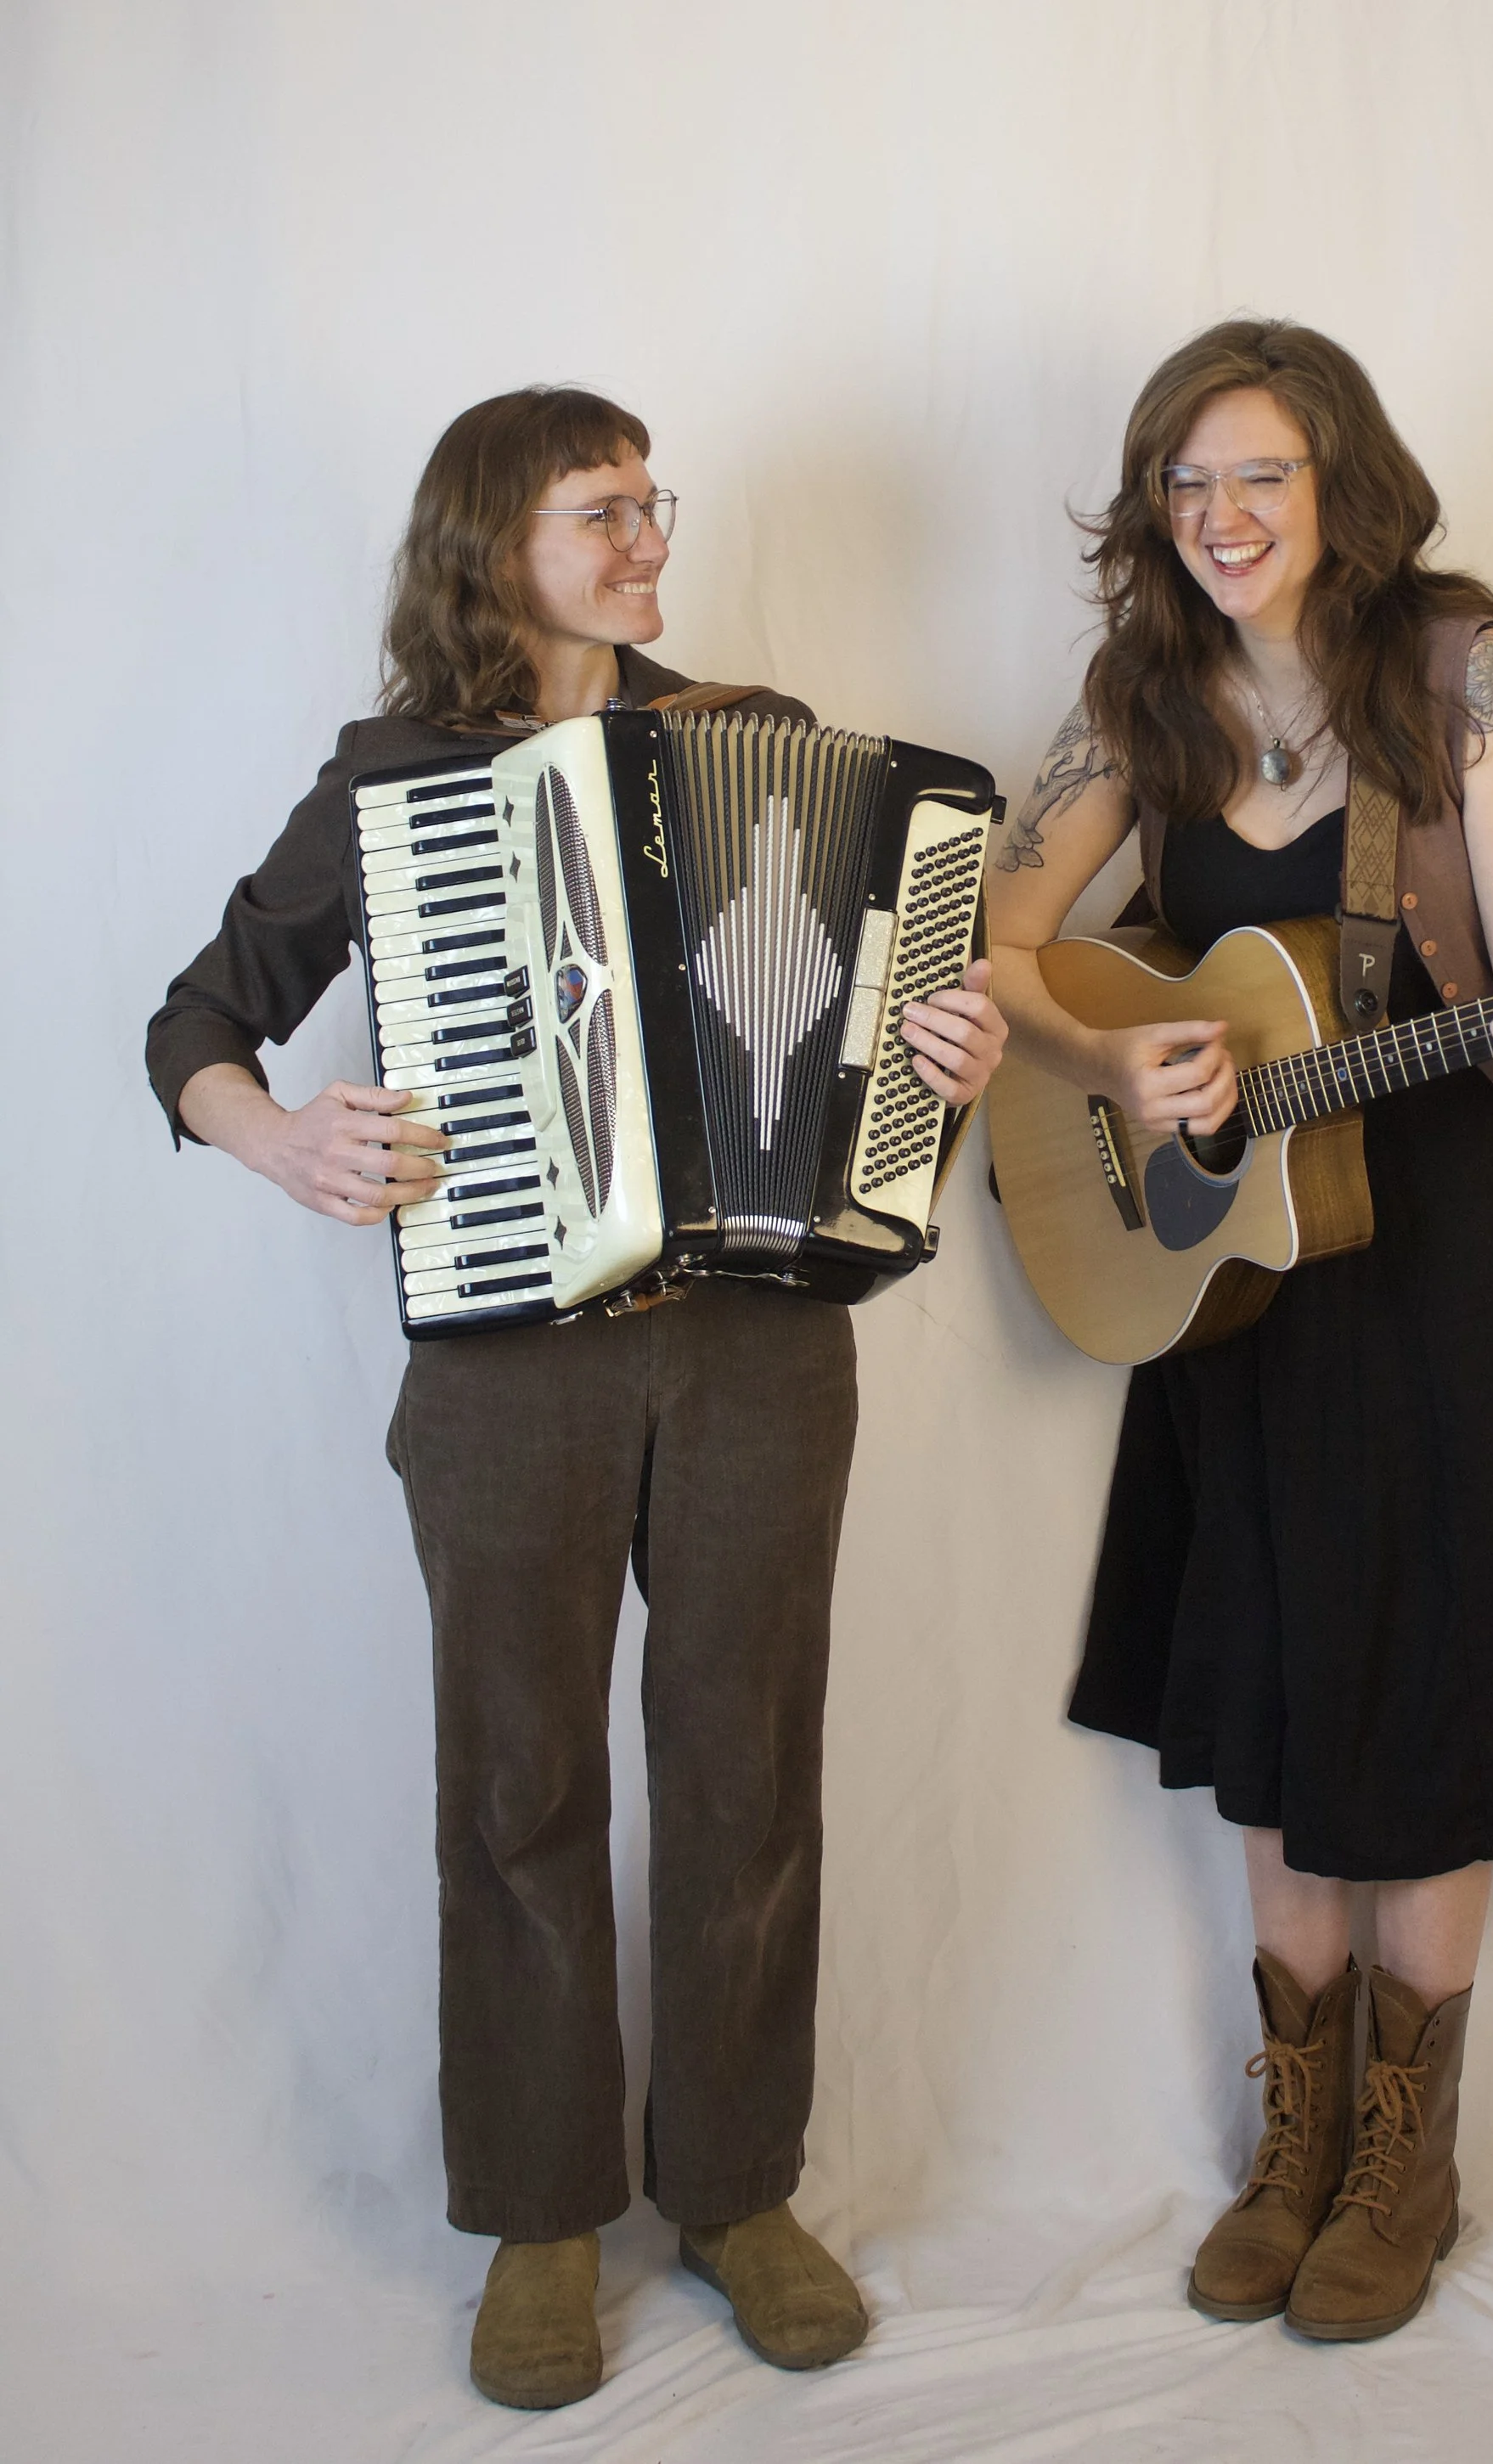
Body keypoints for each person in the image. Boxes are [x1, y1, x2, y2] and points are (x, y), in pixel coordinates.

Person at [145, 386, 1006, 2411]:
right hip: (506, 1371)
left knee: (746, 1773)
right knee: (517, 1788)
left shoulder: (758, 738)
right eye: (597, 511)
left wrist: (937, 1054)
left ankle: (731, 2193)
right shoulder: (392, 781)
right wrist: (278, 1138)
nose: (644, 539)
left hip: (762, 1342)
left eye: (650, 502)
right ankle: (540, 2219)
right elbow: (196, 1020)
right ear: (490, 544)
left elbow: (873, 1032)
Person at [985, 321, 1493, 2345]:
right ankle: (1290, 2134)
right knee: (1288, 1685)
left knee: (1438, 1682)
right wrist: (1120, 1072)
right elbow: (1007, 952)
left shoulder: (1467, 665)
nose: (1215, 521)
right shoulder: (1139, 700)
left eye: (1257, 480)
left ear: (1338, 486)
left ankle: (1406, 2159)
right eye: (1182, 485)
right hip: (1237, 1269)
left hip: (1459, 1251)